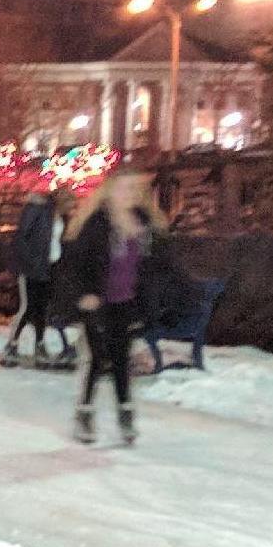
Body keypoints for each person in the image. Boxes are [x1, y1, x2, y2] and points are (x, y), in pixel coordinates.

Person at [60, 164, 168, 446]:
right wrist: (84, 293)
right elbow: (74, 265)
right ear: (109, 191)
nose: (129, 194)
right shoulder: (97, 223)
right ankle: (84, 414)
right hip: (97, 302)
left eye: (134, 188)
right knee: (97, 358)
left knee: (121, 359)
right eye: (123, 188)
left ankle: (125, 414)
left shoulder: (146, 224)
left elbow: (156, 267)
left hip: (126, 303)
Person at [2, 184, 77, 369]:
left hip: (49, 267)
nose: (71, 208)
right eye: (69, 203)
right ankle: (12, 344)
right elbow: (21, 238)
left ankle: (40, 343)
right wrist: (31, 262)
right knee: (27, 308)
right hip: (32, 268)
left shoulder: (62, 217)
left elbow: (59, 242)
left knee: (42, 309)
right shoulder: (39, 211)